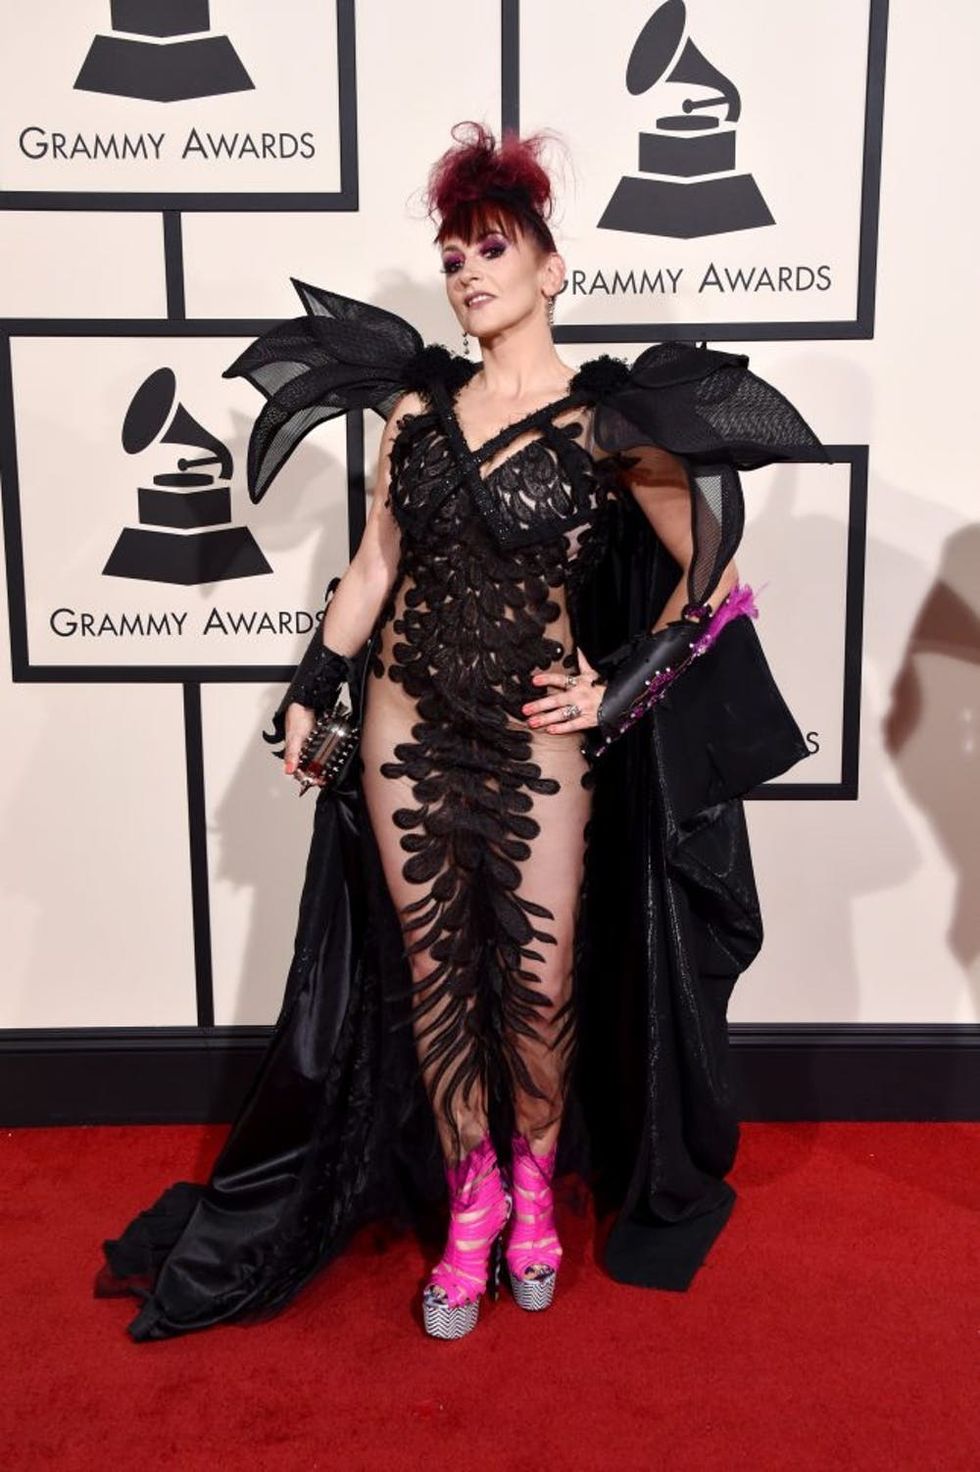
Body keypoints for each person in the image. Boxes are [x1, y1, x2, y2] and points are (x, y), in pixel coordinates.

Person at [95, 120, 829, 1342]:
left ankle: (537, 1186)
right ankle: (475, 1200)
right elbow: (375, 563)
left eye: (492, 245)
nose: (466, 271)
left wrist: (620, 682)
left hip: (534, 736)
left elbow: (716, 573)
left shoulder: (610, 423)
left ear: (551, 268)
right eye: (449, 253)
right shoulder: (413, 413)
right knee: (438, 985)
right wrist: (307, 688)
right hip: (402, 724)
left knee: (535, 993)